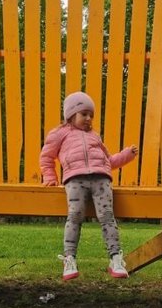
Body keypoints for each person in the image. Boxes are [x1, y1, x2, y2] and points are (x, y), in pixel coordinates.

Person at [40, 91, 138, 280]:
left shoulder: (95, 136)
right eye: (84, 114)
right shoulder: (60, 133)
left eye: (91, 115)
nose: (88, 118)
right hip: (75, 180)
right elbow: (46, 156)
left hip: (101, 179)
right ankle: (69, 259)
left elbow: (108, 161)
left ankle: (116, 258)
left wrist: (126, 155)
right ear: (70, 114)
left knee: (107, 216)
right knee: (75, 215)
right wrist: (50, 176)